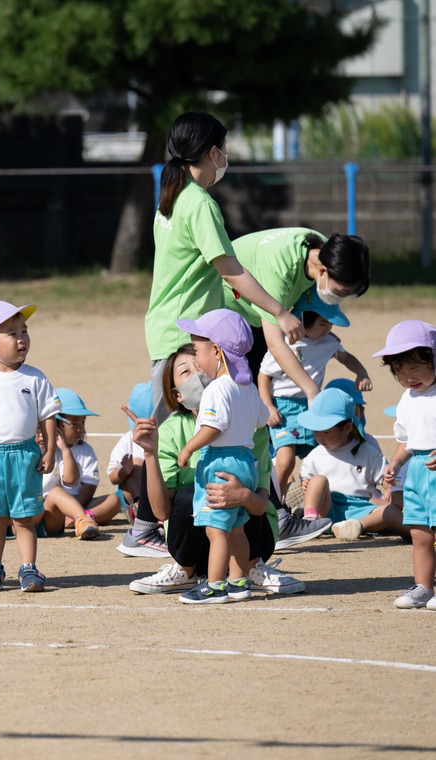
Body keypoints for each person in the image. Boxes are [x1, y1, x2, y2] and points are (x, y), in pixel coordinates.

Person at [130, 112, 305, 556]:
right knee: (211, 433)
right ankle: (172, 532)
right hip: (190, 337)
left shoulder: (170, 197)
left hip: (168, 328)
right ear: (212, 152)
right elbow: (230, 270)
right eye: (223, 149)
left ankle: (173, 530)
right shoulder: (199, 202)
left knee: (177, 433)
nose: (225, 157)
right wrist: (279, 311)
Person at [127, 343, 305, 597]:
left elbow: (261, 504)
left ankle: (252, 570)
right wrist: (150, 454)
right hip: (193, 542)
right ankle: (186, 572)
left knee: (239, 488)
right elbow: (162, 511)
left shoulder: (248, 424)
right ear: (177, 395)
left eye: (198, 363)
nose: (197, 372)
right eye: (185, 371)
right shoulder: (170, 431)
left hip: (254, 535)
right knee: (192, 493)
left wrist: (243, 496)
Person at [0, 300, 60, 592]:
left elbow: (48, 415)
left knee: (23, 517)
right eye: (13, 333)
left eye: (25, 331)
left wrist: (51, 449)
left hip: (25, 456)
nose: (22, 339)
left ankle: (29, 569)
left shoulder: (35, 377)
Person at [174, 309, 270, 604]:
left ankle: (215, 585)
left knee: (216, 531)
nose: (196, 357)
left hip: (220, 461)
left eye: (198, 350)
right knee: (236, 529)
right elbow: (261, 418)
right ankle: (239, 581)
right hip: (245, 461)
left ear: (216, 351)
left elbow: (213, 427)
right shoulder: (247, 386)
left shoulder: (217, 388)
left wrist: (189, 447)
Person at [258, 290, 372, 506]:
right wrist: (268, 407)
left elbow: (347, 358)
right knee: (285, 461)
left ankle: (312, 504)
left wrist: (362, 372)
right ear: (303, 319)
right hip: (284, 408)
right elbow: (264, 375)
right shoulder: (285, 343)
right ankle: (272, 508)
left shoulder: (329, 342)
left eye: (330, 323)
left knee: (320, 457)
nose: (328, 328)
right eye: (322, 323)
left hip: (313, 406)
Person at [227, 227, 371, 389]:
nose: (341, 298)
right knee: (239, 384)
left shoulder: (324, 252)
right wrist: (310, 390)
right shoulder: (279, 270)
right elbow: (275, 343)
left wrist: (321, 330)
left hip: (256, 315)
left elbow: (307, 307)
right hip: (225, 309)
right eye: (340, 291)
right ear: (323, 270)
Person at [371, 321, 436, 609]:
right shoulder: (406, 399)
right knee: (420, 534)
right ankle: (423, 587)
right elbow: (407, 440)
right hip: (418, 475)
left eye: (415, 368)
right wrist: (396, 463)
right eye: (399, 371)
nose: (408, 377)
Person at [296, 388, 404, 541]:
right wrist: (305, 484)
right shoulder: (315, 455)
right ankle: (309, 522)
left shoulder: (368, 451)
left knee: (391, 511)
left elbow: (386, 478)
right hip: (328, 507)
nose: (319, 437)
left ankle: (354, 527)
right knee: (318, 480)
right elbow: (307, 482)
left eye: (326, 432)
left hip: (361, 509)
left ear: (347, 427)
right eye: (316, 431)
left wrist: (389, 488)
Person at [35, 388, 123, 541]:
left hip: (70, 507)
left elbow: (85, 484)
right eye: (74, 424)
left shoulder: (82, 450)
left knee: (114, 500)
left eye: (83, 423)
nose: (80, 429)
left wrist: (75, 510)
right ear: (56, 425)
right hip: (36, 511)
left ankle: (82, 518)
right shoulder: (34, 448)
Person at [107, 381, 152, 521]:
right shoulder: (128, 440)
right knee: (138, 464)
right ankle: (140, 508)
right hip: (130, 495)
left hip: (159, 492)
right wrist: (124, 471)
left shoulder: (169, 436)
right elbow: (112, 478)